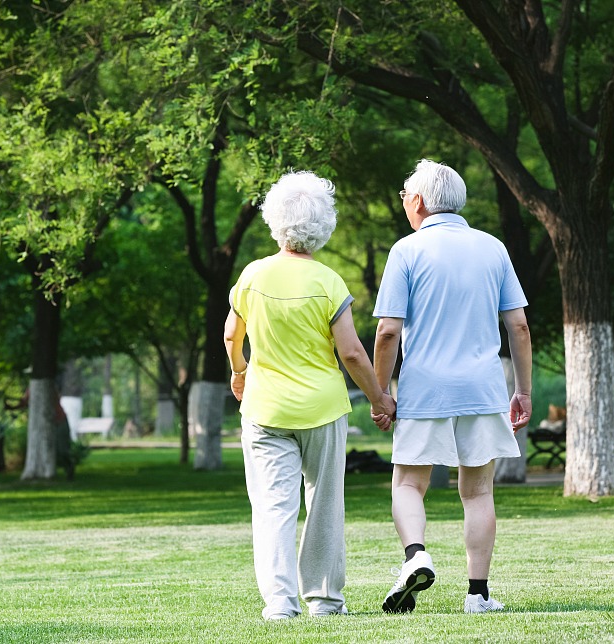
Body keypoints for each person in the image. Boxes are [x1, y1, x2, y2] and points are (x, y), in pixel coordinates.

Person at [224, 170, 394, 621]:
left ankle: (280, 603)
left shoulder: (251, 275)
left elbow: (230, 336)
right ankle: (324, 601)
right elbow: (354, 354)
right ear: (324, 224)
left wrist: (239, 371)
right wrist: (379, 399)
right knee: (323, 505)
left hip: (264, 409)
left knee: (272, 508)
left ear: (274, 220)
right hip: (322, 409)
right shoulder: (328, 282)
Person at [371, 159, 532, 615]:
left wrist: (381, 394)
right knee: (478, 492)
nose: (405, 204)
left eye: (405, 197)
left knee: (408, 483)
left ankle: (415, 555)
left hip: (425, 389)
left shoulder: (407, 250)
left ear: (418, 201)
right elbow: (518, 326)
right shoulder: (493, 248)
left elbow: (387, 332)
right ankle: (478, 595)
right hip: (482, 389)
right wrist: (523, 391)